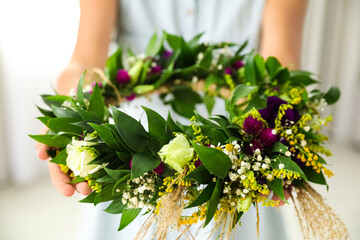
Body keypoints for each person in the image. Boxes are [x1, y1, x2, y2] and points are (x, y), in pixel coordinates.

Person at [36, 0, 308, 239]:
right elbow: (85, 59)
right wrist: (74, 107)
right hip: (135, 159)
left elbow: (280, 66)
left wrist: (277, 129)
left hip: (236, 157)